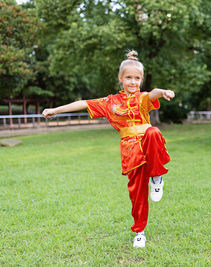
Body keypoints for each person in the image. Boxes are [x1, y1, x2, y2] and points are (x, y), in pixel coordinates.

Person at [42, 50, 175, 248]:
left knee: (153, 132)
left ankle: (157, 177)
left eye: (137, 78)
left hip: (149, 145)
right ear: (121, 78)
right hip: (131, 153)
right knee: (137, 195)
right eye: (128, 77)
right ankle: (139, 232)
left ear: (141, 80)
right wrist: (55, 110)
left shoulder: (143, 98)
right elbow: (83, 103)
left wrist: (163, 92)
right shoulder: (110, 102)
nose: (132, 82)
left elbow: (153, 93)